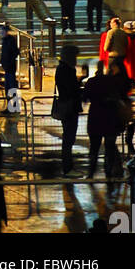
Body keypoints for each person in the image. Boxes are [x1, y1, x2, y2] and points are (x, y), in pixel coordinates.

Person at [83, 61, 123, 186]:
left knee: (94, 148)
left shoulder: (91, 82)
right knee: (110, 147)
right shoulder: (113, 82)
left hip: (95, 118)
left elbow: (84, 98)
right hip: (111, 118)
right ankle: (108, 171)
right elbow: (119, 97)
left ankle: (91, 172)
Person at [54, 44, 83, 177]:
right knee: (69, 138)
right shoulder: (67, 70)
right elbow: (72, 90)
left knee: (68, 138)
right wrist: (80, 82)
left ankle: (68, 167)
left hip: (67, 106)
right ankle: (67, 168)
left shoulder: (61, 69)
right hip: (70, 108)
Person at [0, 25, 19, 110]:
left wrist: (8, 62)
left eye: (2, 31)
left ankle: (13, 107)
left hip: (10, 67)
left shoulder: (10, 41)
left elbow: (14, 52)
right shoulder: (6, 41)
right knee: (8, 88)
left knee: (11, 87)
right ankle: (11, 107)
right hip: (8, 67)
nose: (1, 33)